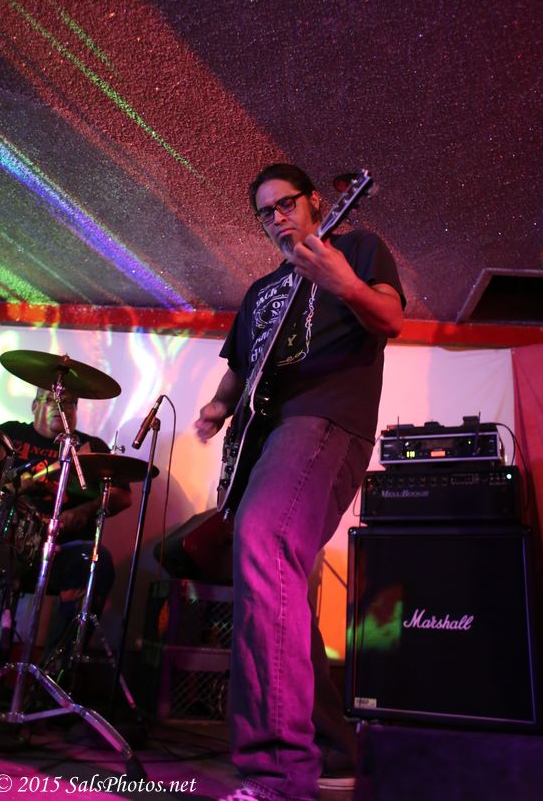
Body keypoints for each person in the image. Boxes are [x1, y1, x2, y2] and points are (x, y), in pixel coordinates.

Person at [194, 163, 405, 801]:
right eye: (266, 212)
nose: (278, 218)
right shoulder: (262, 290)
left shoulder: (357, 248)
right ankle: (331, 749)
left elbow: (390, 318)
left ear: (316, 202)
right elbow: (243, 368)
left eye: (287, 204)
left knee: (263, 542)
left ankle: (278, 775)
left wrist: (345, 284)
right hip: (265, 436)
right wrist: (217, 408)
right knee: (275, 579)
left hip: (324, 419)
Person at [0, 387, 132, 657]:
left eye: (69, 402)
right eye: (52, 400)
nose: (62, 407)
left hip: (63, 551)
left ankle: (56, 666)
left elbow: (122, 496)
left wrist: (86, 510)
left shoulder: (91, 448)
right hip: (8, 544)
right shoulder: (11, 435)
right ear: (34, 406)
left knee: (96, 563)